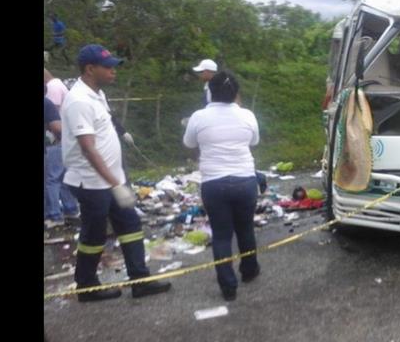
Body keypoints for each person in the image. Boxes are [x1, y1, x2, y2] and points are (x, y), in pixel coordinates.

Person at [61, 44, 171, 302]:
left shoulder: (97, 94)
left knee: (130, 225)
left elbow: (106, 129)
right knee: (94, 234)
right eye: (108, 67)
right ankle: (87, 286)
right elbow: (88, 148)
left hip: (111, 179)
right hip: (91, 181)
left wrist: (118, 175)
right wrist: (114, 183)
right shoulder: (78, 100)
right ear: (90, 69)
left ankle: (140, 280)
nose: (114, 71)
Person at [183, 71, 260, 301]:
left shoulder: (198, 116)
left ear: (210, 92)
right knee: (245, 228)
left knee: (222, 235)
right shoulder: (247, 115)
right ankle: (249, 270)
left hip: (214, 183)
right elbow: (254, 141)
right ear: (236, 93)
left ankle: (228, 286)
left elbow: (188, 143)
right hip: (245, 179)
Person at [44, 71, 80, 228]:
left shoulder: (51, 96)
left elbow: (56, 125)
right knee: (62, 176)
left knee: (52, 179)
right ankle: (71, 209)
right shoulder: (54, 96)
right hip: (61, 140)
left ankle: (53, 214)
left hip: (54, 143)